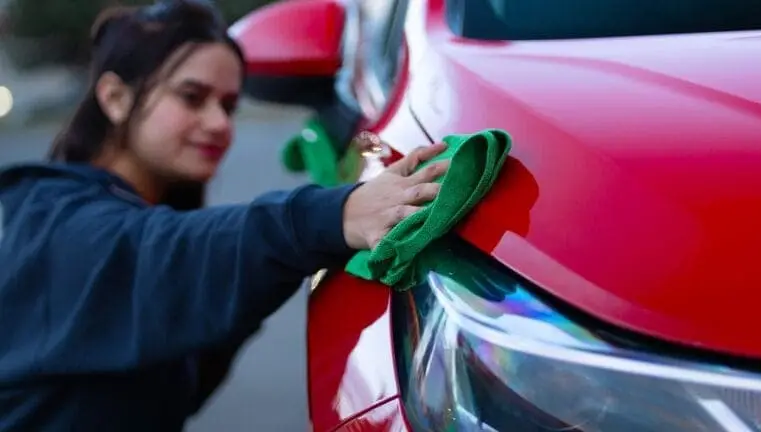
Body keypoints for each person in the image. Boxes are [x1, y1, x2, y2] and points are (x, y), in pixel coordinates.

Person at [0, 1, 449, 430]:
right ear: (115, 98)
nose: (219, 123)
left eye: (229, 106)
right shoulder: (52, 220)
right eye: (192, 97)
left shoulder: (145, 225)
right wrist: (336, 214)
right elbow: (158, 249)